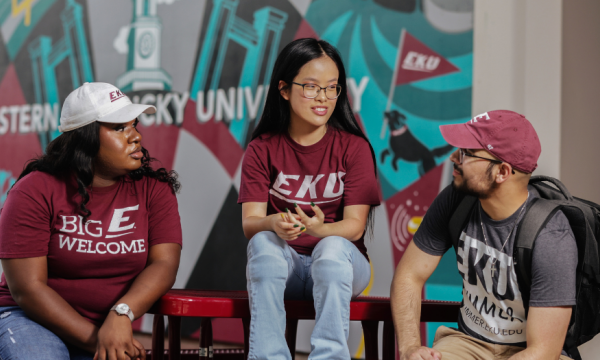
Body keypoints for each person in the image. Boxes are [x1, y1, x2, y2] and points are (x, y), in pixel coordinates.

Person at [0, 82, 182, 360]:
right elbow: (28, 290)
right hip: (27, 318)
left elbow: (164, 263)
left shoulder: (153, 189)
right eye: (119, 128)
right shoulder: (33, 190)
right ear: (85, 138)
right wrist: (101, 342)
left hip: (108, 324)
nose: (135, 137)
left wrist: (122, 314)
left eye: (134, 125)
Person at [390, 110, 577, 360]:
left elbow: (542, 351)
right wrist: (411, 348)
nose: (454, 157)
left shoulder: (552, 236)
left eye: (467, 153)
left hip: (530, 351)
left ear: (502, 172)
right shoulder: (456, 200)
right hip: (469, 343)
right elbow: (409, 276)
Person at [238, 38, 380, 360]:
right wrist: (272, 223)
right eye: (312, 87)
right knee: (262, 243)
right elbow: (250, 224)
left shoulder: (354, 148)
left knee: (330, 250)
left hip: (341, 264)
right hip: (285, 266)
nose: (324, 98)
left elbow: (355, 228)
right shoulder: (262, 148)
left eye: (332, 88)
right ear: (284, 89)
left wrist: (319, 230)